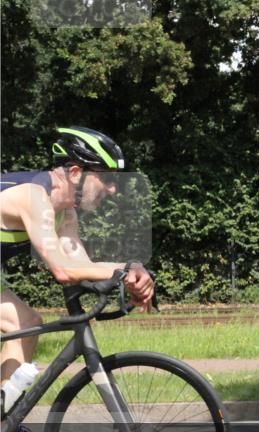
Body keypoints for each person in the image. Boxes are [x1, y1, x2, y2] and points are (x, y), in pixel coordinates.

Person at [1, 127, 155, 393]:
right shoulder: (34, 197)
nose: (113, 189)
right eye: (106, 178)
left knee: (25, 323)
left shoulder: (65, 212)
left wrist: (127, 277)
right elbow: (62, 270)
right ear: (74, 173)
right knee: (21, 323)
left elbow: (80, 267)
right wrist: (124, 269)